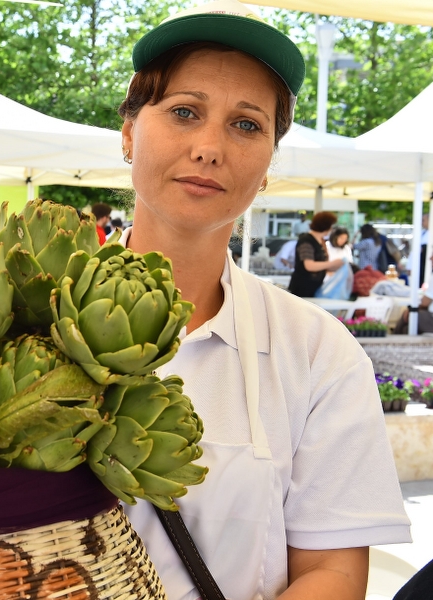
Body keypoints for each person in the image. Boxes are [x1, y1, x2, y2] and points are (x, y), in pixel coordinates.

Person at [117, 1, 409, 598]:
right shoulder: (20, 316)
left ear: (269, 163)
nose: (209, 148)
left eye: (246, 125)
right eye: (184, 111)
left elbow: (332, 571)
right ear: (128, 134)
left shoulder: (318, 353)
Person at [287, 212, 343, 297]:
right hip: (302, 288)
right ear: (325, 226)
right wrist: (332, 264)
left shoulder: (321, 241)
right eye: (330, 226)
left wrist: (337, 266)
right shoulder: (306, 241)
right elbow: (309, 265)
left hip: (314, 287)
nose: (331, 229)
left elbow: (321, 264)